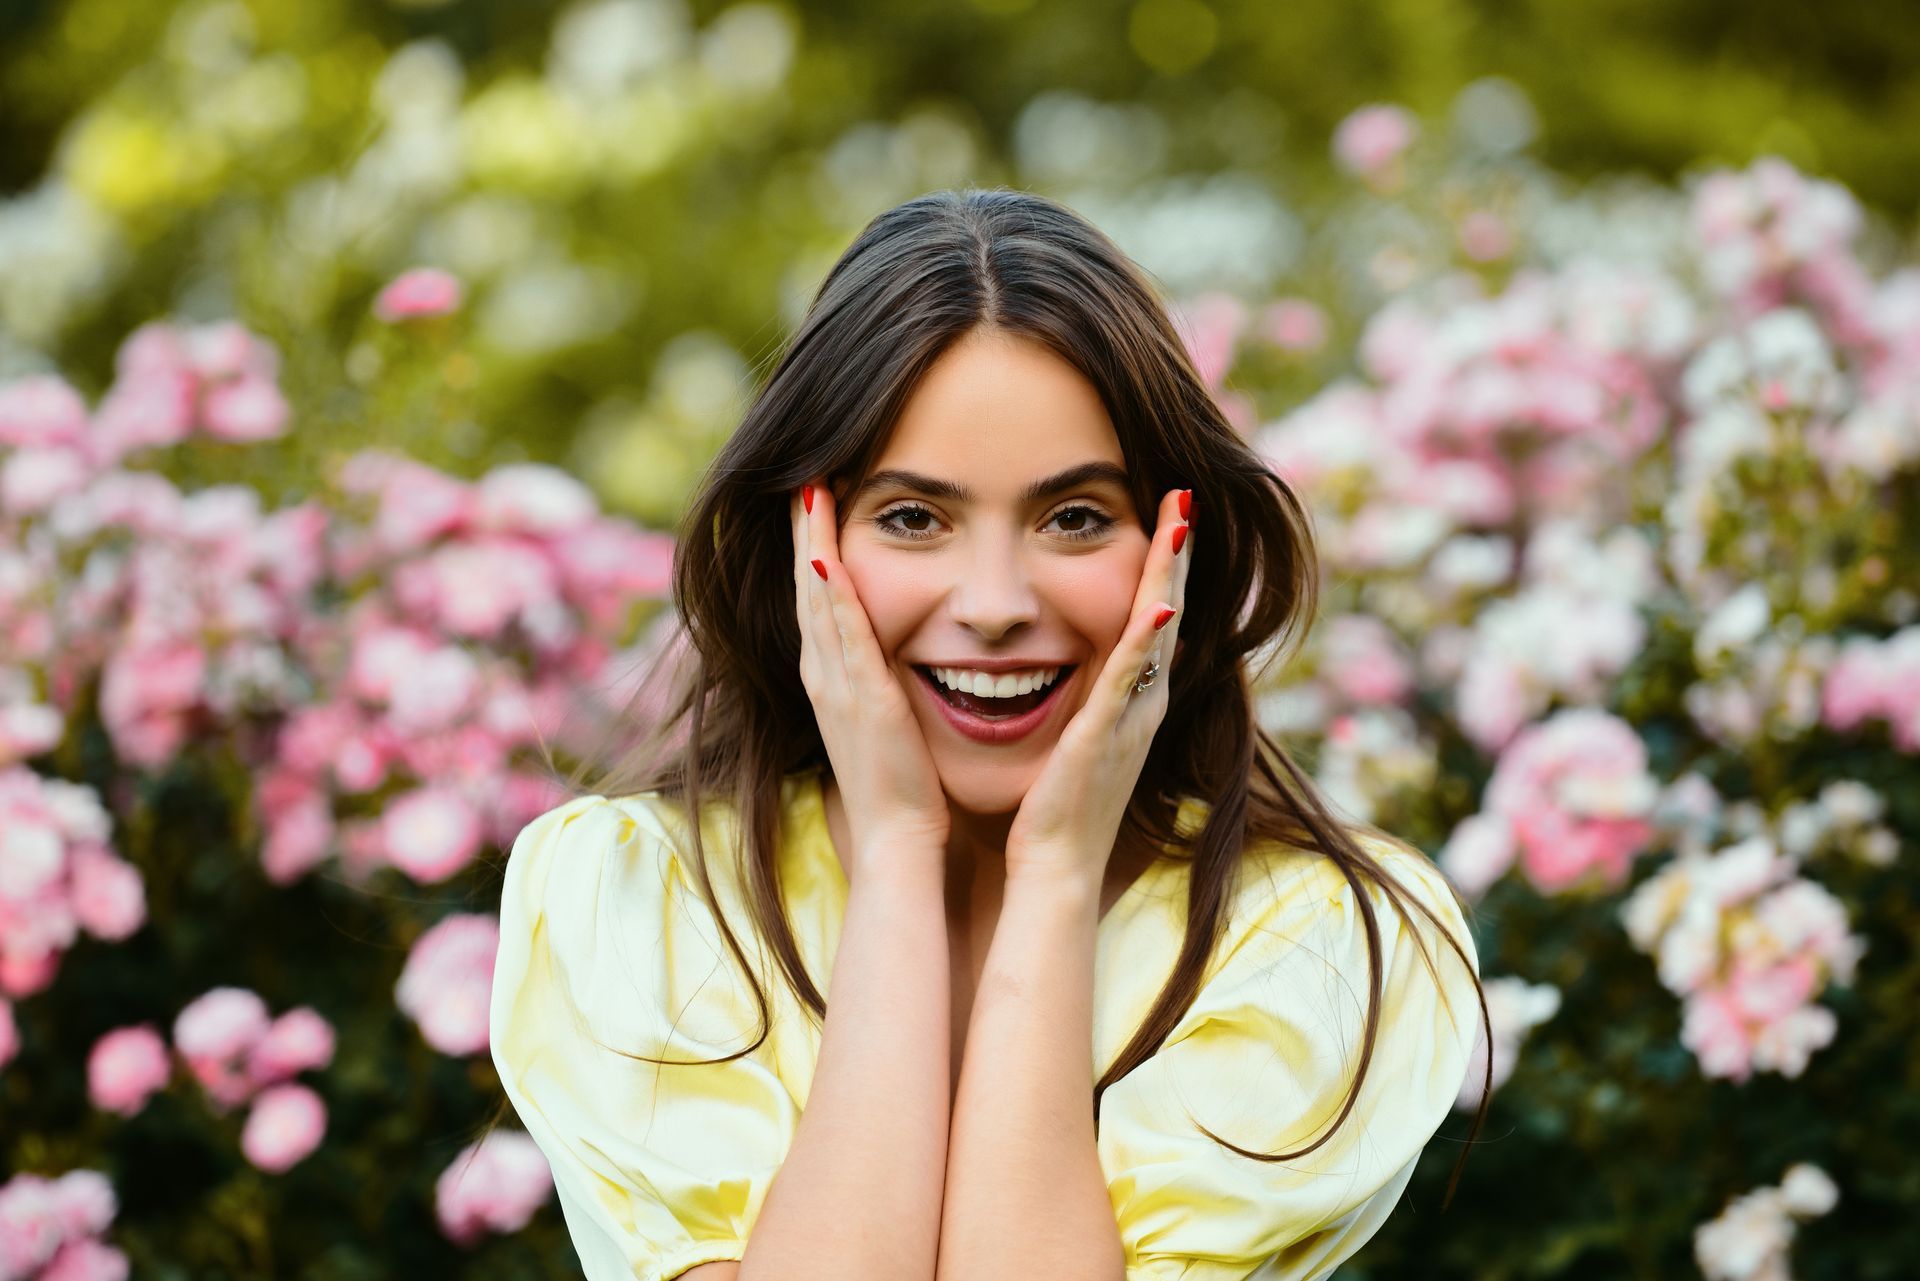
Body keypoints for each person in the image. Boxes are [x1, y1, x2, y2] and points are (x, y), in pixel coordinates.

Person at [488, 187, 1492, 1281]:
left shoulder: (1315, 942)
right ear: (803, 539)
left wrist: (1055, 878)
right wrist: (898, 860)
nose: (997, 601)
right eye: (914, 517)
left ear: (1175, 542)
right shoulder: (642, 899)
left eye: (1075, 517)